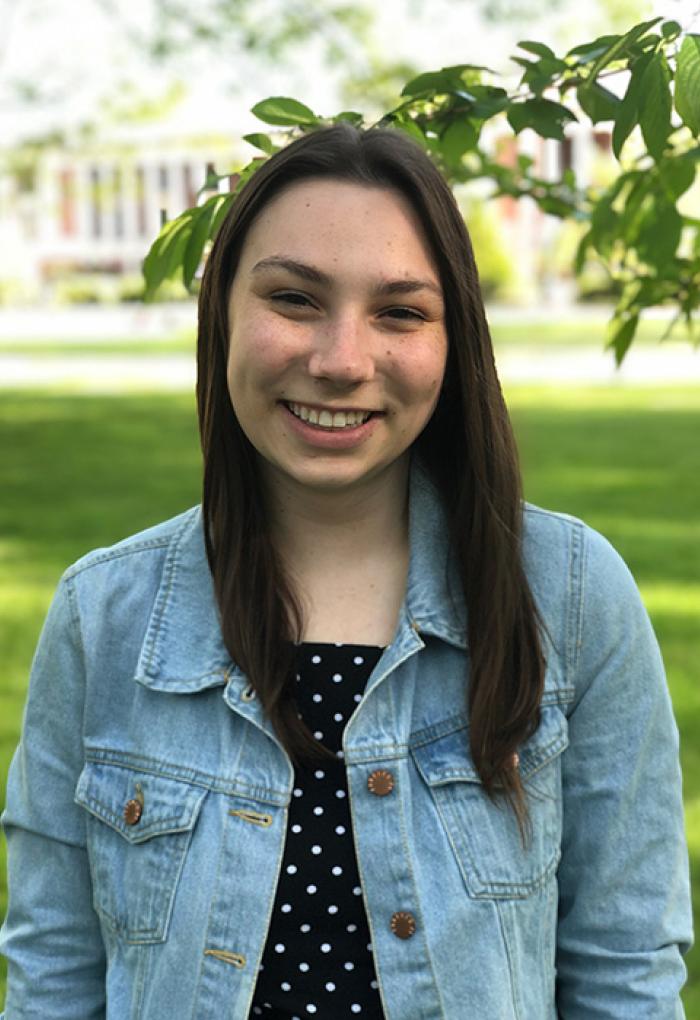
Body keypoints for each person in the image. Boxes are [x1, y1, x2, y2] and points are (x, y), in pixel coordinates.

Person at [0, 124, 692, 1019]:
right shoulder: (104, 616)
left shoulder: (569, 594)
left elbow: (625, 976)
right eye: (294, 299)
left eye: (399, 312)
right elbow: (52, 981)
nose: (341, 362)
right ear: (223, 315)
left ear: (454, 341)